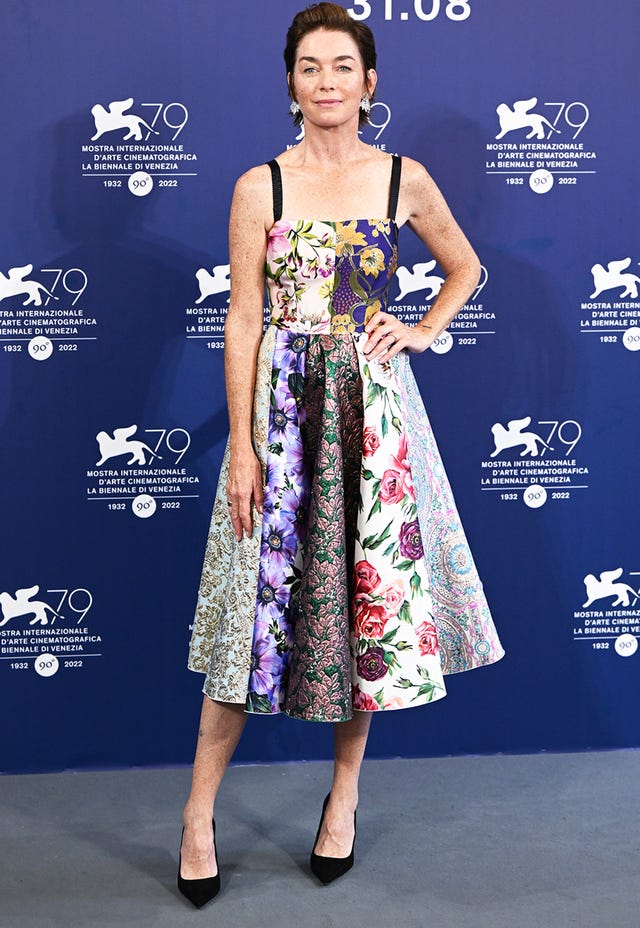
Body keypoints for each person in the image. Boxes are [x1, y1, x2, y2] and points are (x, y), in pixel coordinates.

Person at [179, 1, 504, 907]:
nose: (327, 82)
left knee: (364, 609)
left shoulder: (403, 177)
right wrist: (241, 446)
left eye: (342, 66)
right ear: (291, 84)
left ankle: (344, 800)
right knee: (249, 620)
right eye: (310, 67)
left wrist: (423, 329)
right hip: (281, 418)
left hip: (373, 416)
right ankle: (198, 817)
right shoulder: (260, 186)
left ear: (370, 82)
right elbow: (244, 317)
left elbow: (465, 266)